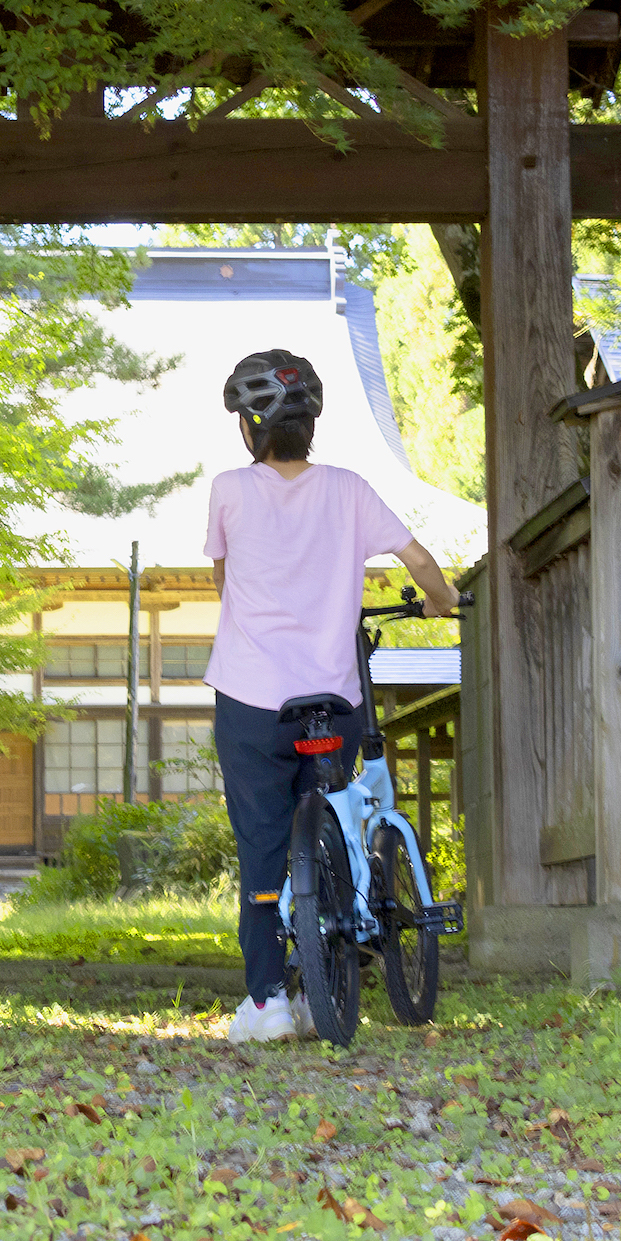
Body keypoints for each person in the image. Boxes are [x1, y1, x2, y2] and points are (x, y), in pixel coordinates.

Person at [204, 349, 460, 1043]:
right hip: (334, 704)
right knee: (336, 824)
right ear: (312, 424)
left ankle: (269, 1002)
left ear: (249, 428)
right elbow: (420, 562)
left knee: (262, 846)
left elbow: (225, 581)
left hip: (254, 703)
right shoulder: (350, 489)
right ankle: (333, 981)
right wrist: (442, 601)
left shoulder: (229, 490)